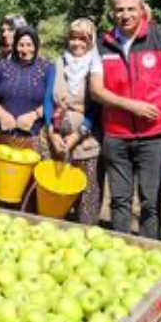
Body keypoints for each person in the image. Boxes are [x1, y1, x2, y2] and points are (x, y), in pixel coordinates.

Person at [89, 0, 161, 240]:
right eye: (119, 10)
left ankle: (151, 251)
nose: (125, 14)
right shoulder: (102, 45)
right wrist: (131, 105)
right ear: (112, 13)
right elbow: (96, 90)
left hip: (154, 134)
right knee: (119, 199)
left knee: (150, 200)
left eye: (130, 9)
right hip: (116, 135)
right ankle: (122, 250)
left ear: (141, 10)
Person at [44, 18, 104, 224]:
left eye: (83, 38)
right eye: (73, 38)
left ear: (92, 40)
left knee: (87, 192)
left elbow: (96, 106)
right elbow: (47, 100)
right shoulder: (58, 64)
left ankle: (86, 232)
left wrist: (79, 134)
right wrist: (52, 132)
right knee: (58, 190)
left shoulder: (96, 67)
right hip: (58, 139)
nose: (77, 43)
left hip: (86, 140)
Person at [0, 26, 51, 155]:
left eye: (30, 45)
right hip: (0, 135)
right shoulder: (2, 66)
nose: (25, 50)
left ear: (36, 46)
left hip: (32, 138)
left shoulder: (47, 69)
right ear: (15, 46)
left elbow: (53, 99)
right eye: (21, 45)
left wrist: (34, 116)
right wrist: (1, 114)